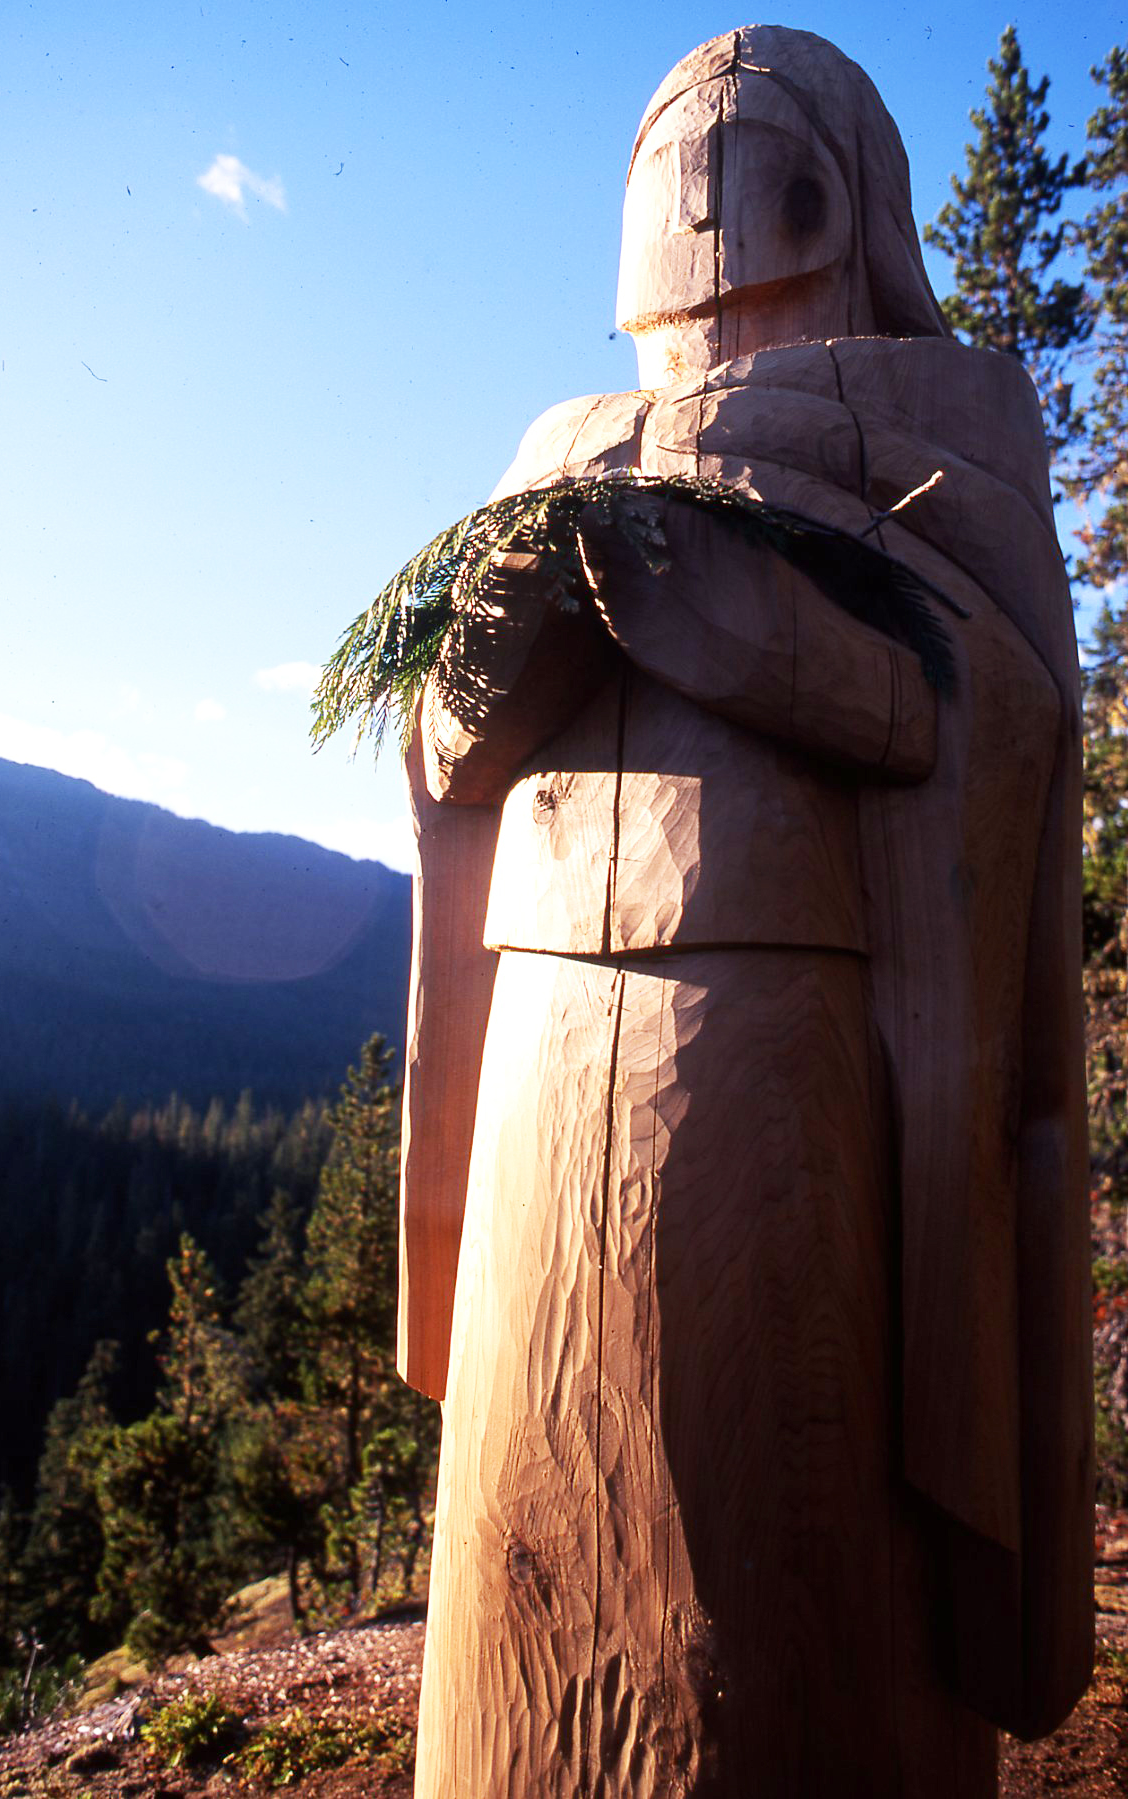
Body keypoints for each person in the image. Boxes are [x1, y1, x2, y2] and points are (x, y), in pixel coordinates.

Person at [398, 27, 1092, 1796]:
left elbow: (998, 713)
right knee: (539, 1497)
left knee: (770, 1522)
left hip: (789, 1049)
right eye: (665, 154)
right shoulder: (551, 441)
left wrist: (749, 638)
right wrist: (500, 658)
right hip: (544, 1042)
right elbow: (435, 745)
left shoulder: (941, 420)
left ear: (849, 198)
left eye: (751, 144)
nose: (699, 184)